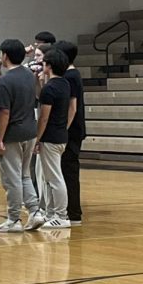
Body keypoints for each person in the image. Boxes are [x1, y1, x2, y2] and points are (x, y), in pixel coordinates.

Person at [0, 39, 42, 234]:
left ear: (4, 55)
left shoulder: (6, 81)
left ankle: (14, 219)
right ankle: (35, 210)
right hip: (30, 131)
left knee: (12, 178)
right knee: (24, 175)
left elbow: (4, 112)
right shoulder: (29, 75)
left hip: (13, 134)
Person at [35, 46, 72, 230]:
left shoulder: (50, 88)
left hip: (50, 138)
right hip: (61, 136)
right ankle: (52, 213)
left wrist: (37, 139)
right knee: (51, 178)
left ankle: (61, 215)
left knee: (55, 178)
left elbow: (44, 117)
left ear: (49, 66)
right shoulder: (64, 84)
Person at [57, 40, 85, 227]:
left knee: (69, 171)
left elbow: (72, 108)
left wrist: (63, 129)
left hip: (71, 131)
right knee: (66, 170)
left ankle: (73, 212)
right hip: (73, 130)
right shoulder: (71, 75)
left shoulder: (71, 76)